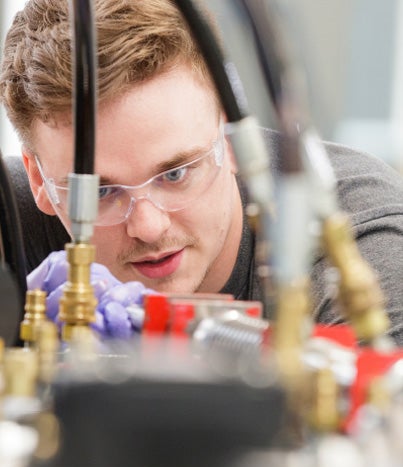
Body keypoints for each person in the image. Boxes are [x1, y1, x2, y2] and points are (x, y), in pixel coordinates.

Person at [0, 0, 402, 346]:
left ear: (227, 137)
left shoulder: (353, 233)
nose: (149, 227)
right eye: (100, 193)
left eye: (175, 174)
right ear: (39, 179)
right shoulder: (10, 221)